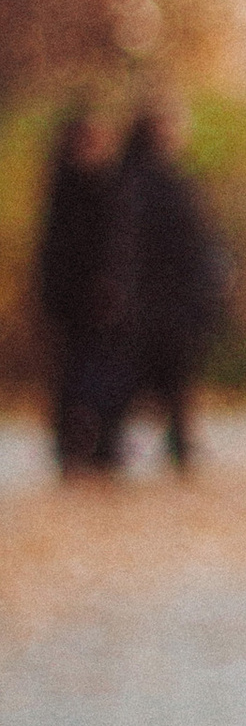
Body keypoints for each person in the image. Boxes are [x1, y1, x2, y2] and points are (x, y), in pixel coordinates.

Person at [99, 103, 225, 471]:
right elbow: (151, 243)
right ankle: (114, 440)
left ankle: (177, 441)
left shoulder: (162, 176)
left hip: (171, 295)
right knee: (146, 373)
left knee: (171, 374)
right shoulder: (144, 180)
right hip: (160, 297)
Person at [35, 99, 120, 472]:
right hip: (79, 300)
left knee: (89, 371)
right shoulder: (73, 189)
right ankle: (77, 442)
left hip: (90, 298)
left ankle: (93, 440)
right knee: (80, 373)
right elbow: (70, 250)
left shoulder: (92, 185)